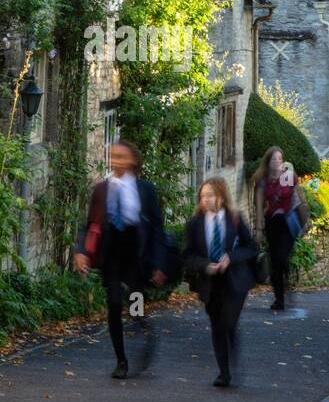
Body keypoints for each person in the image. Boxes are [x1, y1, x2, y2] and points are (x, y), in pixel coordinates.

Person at [73, 141, 169, 380]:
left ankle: (142, 330)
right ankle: (121, 361)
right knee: (114, 304)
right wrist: (81, 251)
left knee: (135, 308)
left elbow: (157, 229)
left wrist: (158, 264)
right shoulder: (101, 190)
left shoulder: (145, 189)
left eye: (121, 156)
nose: (116, 160)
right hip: (112, 255)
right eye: (113, 156)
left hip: (135, 256)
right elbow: (89, 225)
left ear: (133, 160)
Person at [182, 177, 259, 387]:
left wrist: (230, 258)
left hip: (235, 281)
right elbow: (187, 255)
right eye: (203, 196)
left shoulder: (234, 218)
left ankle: (233, 359)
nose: (205, 200)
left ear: (221, 196)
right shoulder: (195, 223)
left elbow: (251, 247)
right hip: (210, 282)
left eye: (210, 195)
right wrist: (205, 264)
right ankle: (224, 372)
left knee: (229, 322)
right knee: (217, 326)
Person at [251, 146, 311, 311]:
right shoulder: (263, 181)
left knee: (282, 258)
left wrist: (304, 220)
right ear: (268, 162)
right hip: (272, 223)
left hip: (287, 222)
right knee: (276, 262)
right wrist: (258, 229)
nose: (277, 161)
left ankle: (285, 284)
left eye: (279, 158)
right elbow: (259, 206)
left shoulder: (288, 177)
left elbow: (298, 198)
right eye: (274, 159)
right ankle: (280, 299)